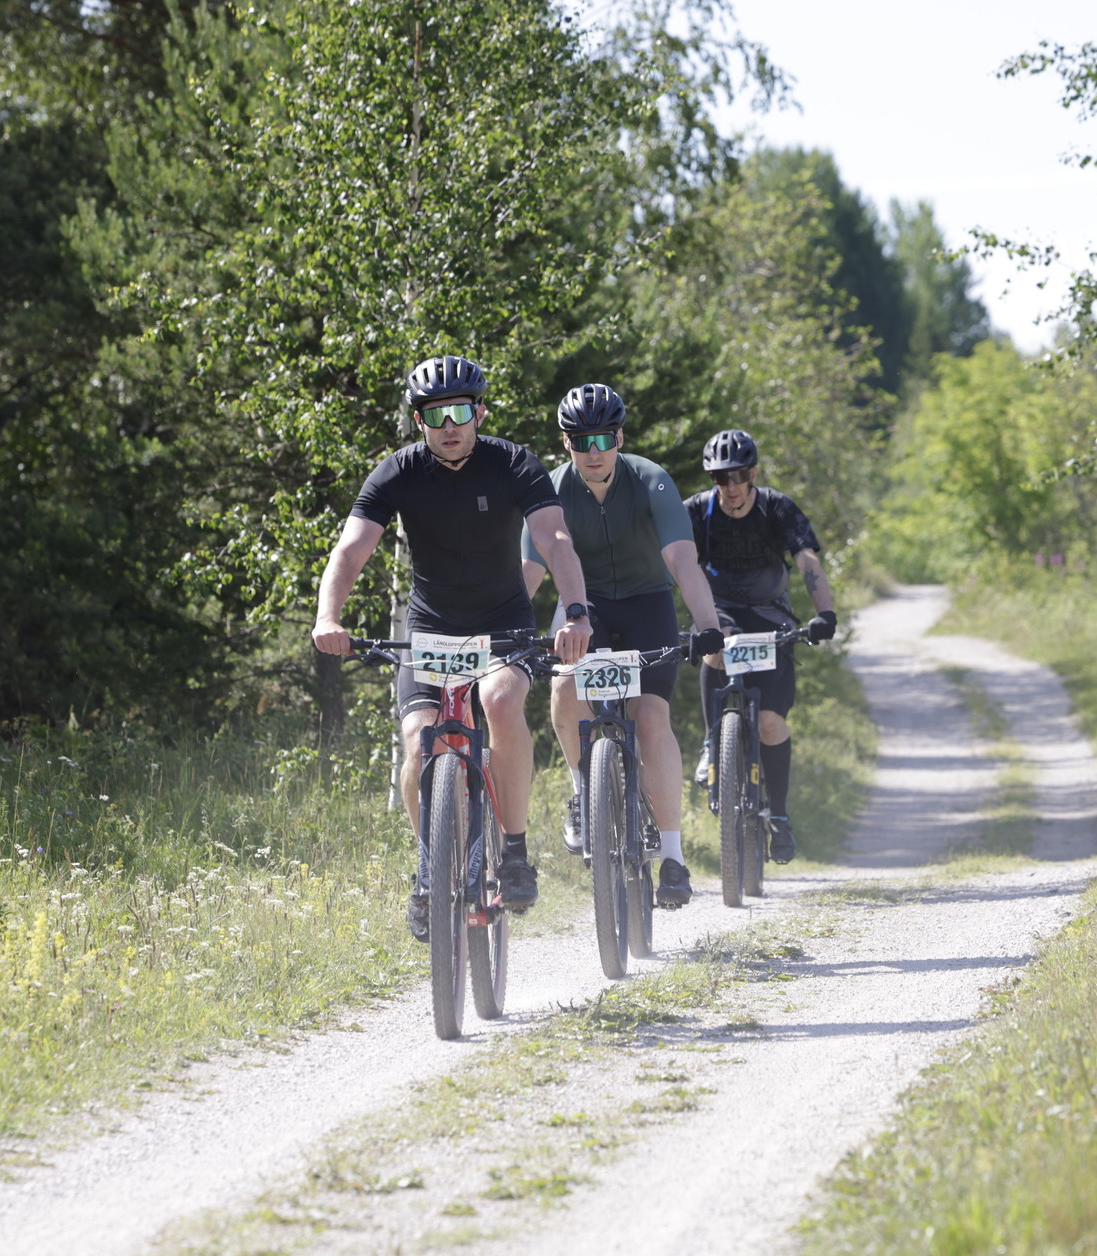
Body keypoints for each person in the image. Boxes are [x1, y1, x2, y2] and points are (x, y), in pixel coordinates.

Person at [312, 355, 592, 940]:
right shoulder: (397, 471)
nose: (449, 426)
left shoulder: (513, 463)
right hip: (430, 629)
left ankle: (514, 852)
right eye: (435, 415)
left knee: (499, 702)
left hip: (502, 624)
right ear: (419, 421)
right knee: (419, 743)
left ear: (479, 413)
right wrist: (327, 617)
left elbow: (555, 540)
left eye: (460, 412)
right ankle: (429, 872)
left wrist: (575, 612)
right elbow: (351, 550)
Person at [521, 383, 726, 908]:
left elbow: (681, 559)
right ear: (566, 442)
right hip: (583, 610)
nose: (593, 452)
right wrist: (509, 633)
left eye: (603, 439)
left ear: (619, 438)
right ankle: (581, 794)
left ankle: (674, 858)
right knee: (565, 691)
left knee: (651, 717)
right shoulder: (550, 488)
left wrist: (707, 625)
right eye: (581, 440)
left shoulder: (651, 480)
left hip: (646, 606)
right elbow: (529, 573)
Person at [688, 428, 837, 863]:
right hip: (721, 612)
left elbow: (807, 559)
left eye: (738, 476)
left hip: (771, 616)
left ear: (753, 474)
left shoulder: (776, 507)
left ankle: (780, 816)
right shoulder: (696, 511)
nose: (731, 486)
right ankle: (713, 742)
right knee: (716, 644)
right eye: (721, 478)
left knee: (771, 723)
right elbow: (673, 562)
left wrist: (825, 614)